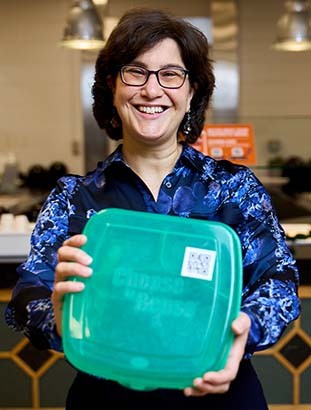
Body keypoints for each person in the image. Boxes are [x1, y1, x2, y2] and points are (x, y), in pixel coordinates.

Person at [5, 7, 300, 410]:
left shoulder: (234, 188)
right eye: (135, 72)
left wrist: (243, 330)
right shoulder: (73, 198)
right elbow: (27, 294)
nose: (152, 90)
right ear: (112, 85)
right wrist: (56, 313)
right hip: (107, 398)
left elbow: (279, 282)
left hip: (219, 393)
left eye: (171, 74)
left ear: (192, 91)